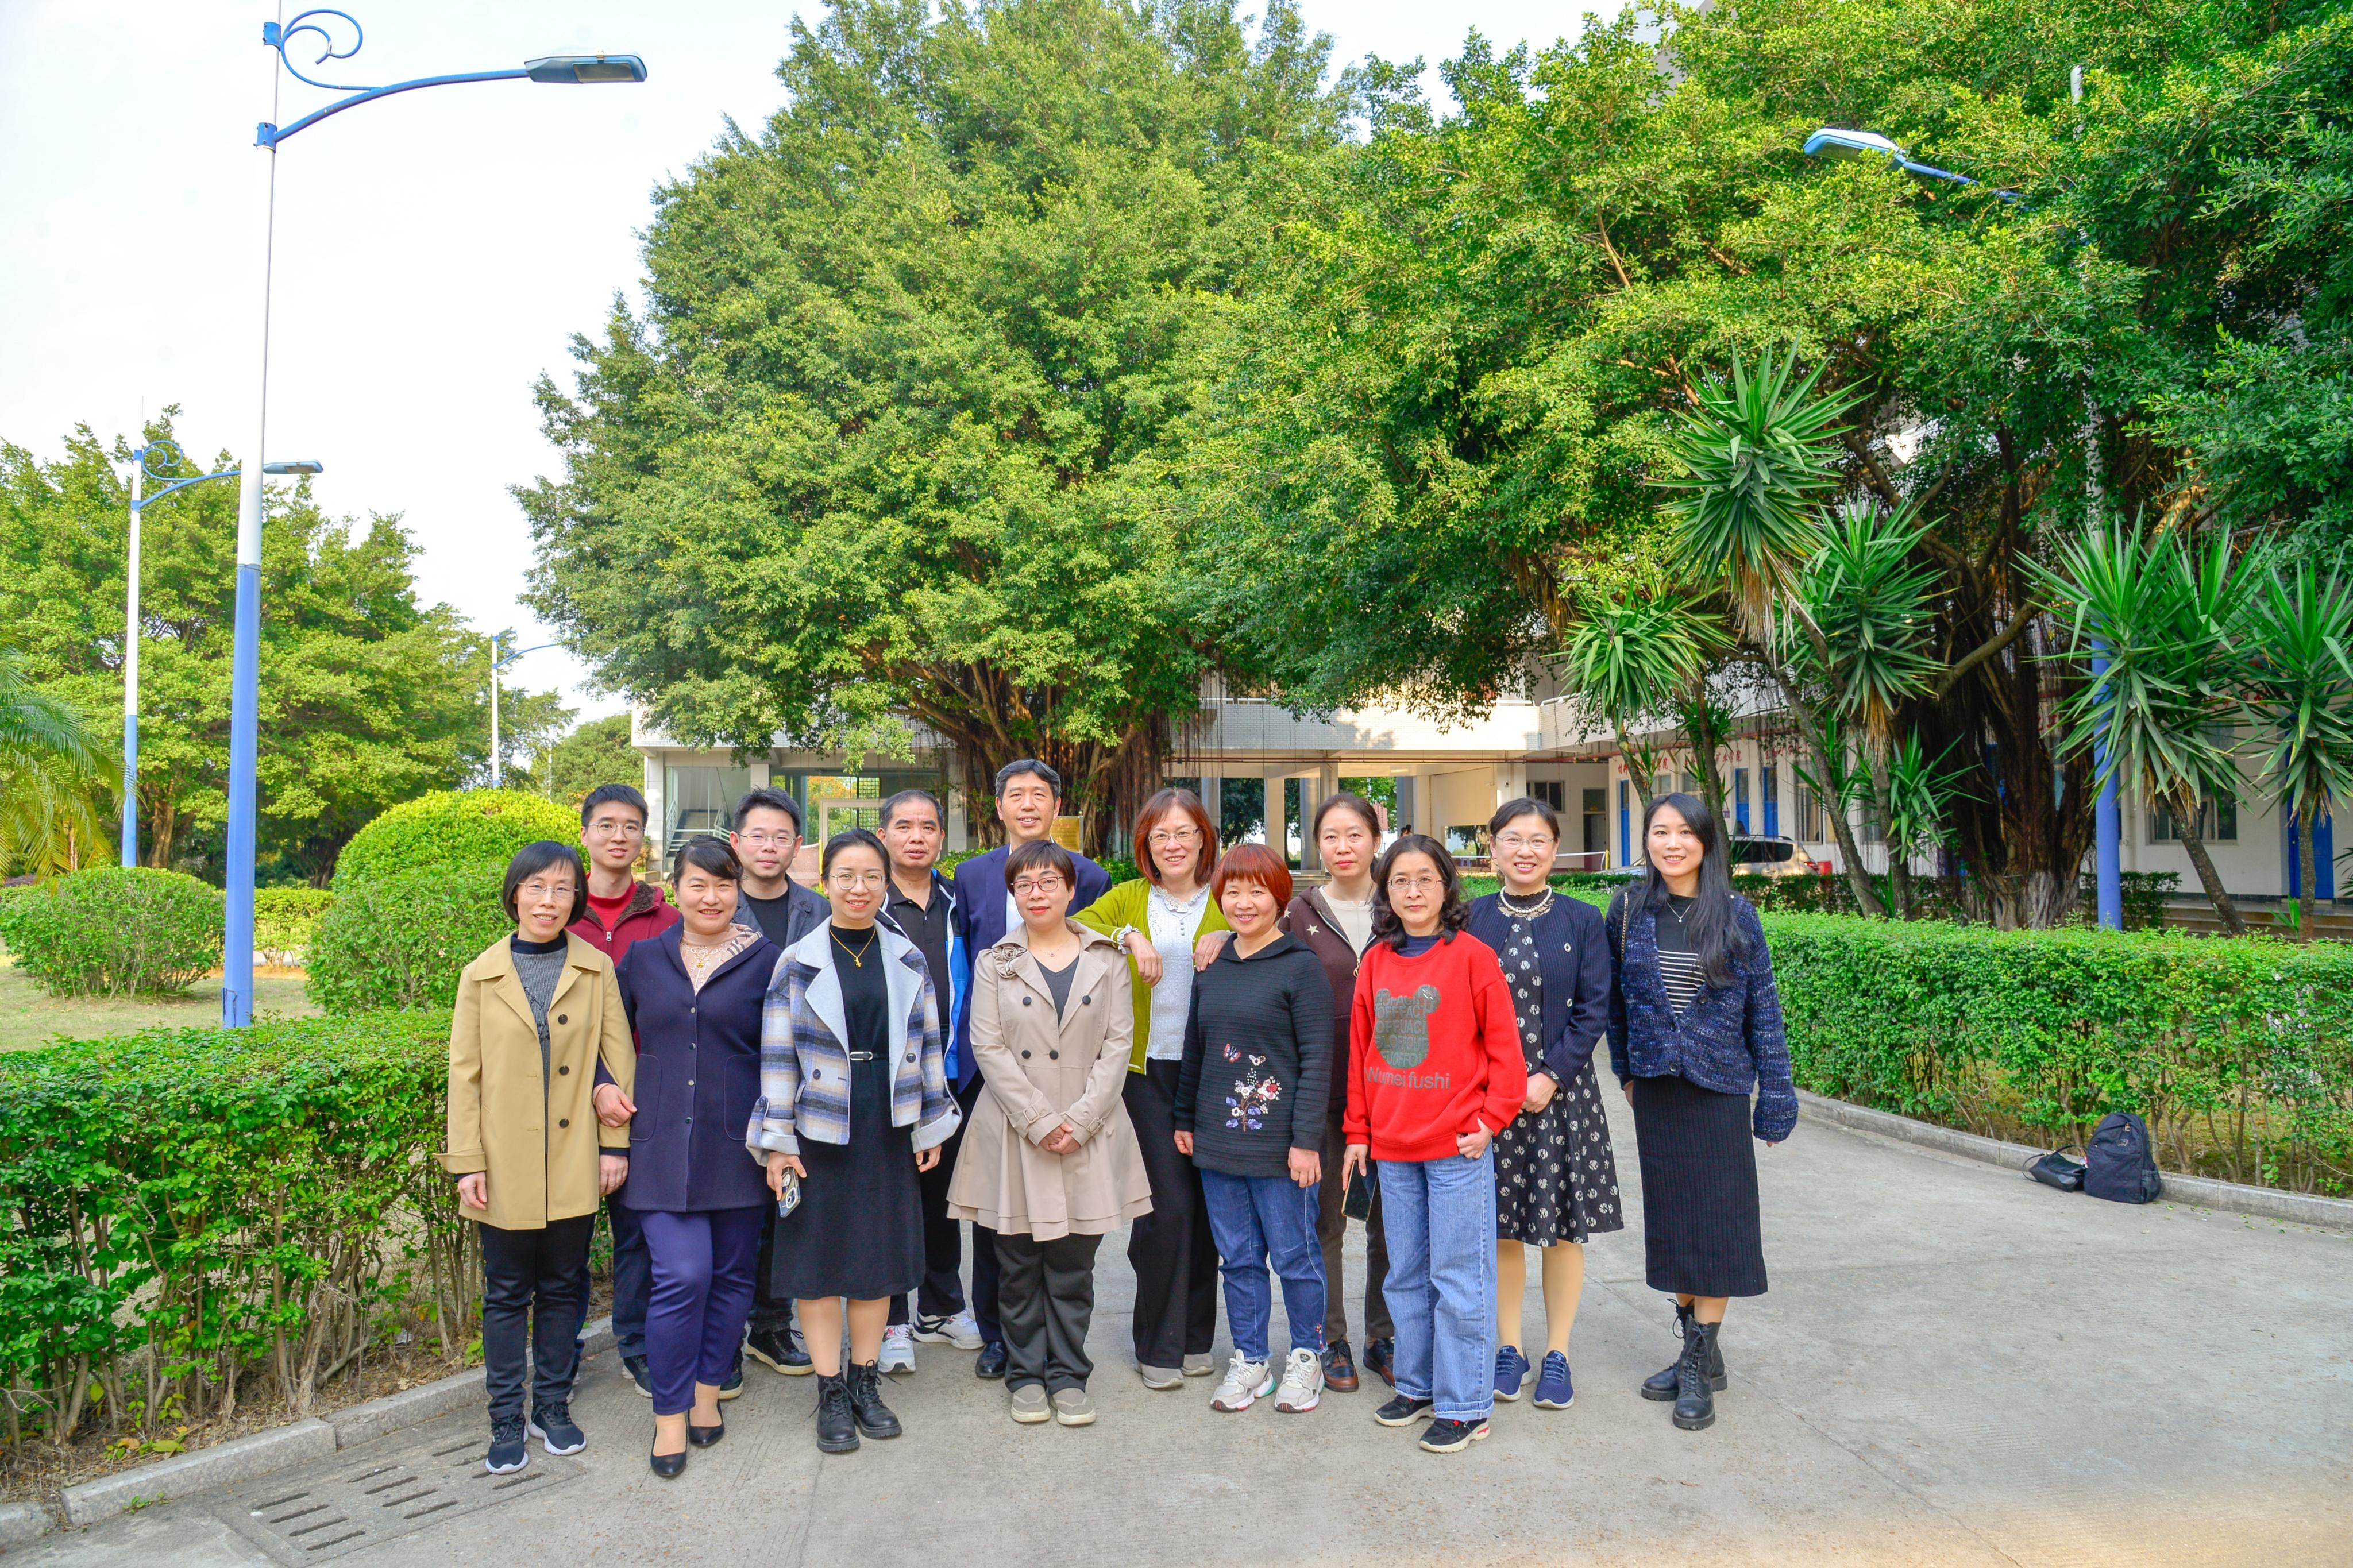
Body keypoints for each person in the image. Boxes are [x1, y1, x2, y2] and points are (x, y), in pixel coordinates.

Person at [750, 829, 961, 1454]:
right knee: (818, 1268)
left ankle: (866, 1382)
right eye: (846, 875)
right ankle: (830, 1390)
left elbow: (927, 1044)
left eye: (871, 876)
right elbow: (777, 1055)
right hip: (819, 1125)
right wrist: (778, 1141)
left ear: (885, 884)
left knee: (876, 1264)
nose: (859, 887)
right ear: (826, 882)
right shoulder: (797, 960)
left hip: (887, 1119)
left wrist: (929, 1123)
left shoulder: (907, 958)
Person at [442, 841, 634, 1475]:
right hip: (503, 1162)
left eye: (562, 889)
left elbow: (618, 1060)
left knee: (561, 1287)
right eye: (537, 888)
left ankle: (551, 1405)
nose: (549, 901)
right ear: (515, 894)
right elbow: (464, 1075)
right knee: (505, 1294)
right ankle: (505, 1416)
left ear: (576, 898)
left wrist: (613, 1146)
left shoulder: (595, 967)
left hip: (575, 1155)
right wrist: (468, 1161)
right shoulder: (481, 975)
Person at [947, 839, 1152, 1427]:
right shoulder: (996, 961)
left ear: (1070, 889)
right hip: (1016, 1129)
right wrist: (1039, 1120)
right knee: (1016, 1266)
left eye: (1048, 883)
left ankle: (1067, 1375)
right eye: (1024, 885)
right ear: (1013, 894)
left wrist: (1081, 1121)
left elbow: (1118, 1044)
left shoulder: (1107, 959)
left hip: (1089, 1126)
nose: (1036, 894)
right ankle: (1025, 1375)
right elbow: (987, 1045)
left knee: (1072, 1267)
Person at [1606, 792, 1794, 1433]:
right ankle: (1700, 1351)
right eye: (1660, 832)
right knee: (1674, 1227)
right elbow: (1617, 1006)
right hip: (1658, 1091)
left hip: (1719, 1091)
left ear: (1706, 842)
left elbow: (1764, 1010)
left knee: (1718, 1228)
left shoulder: (1738, 914)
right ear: (1647, 842)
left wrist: (1776, 1097)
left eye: (1685, 832)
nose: (1672, 843)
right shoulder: (1628, 910)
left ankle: (1696, 1362)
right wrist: (1626, 1071)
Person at [1340, 835, 1523, 1455]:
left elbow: (1507, 1054)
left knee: (1459, 1277)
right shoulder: (1377, 961)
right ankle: (1417, 1385)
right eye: (1400, 881)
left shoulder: (1473, 957)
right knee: (1405, 1276)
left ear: (1446, 887)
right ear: (1385, 892)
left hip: (1456, 1149)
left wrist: (1491, 1120)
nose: (1413, 891)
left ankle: (1466, 1404)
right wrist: (1358, 1133)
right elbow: (1361, 1054)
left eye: (1425, 879)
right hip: (1392, 1148)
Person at [611, 836, 777, 1478]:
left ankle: (708, 1395)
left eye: (723, 885)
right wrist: (602, 1086)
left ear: (739, 890)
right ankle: (669, 1416)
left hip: (738, 1145)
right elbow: (605, 1040)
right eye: (698, 885)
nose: (711, 898)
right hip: (657, 1145)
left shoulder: (768, 961)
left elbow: (785, 1053)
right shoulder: (642, 959)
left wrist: (781, 1141)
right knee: (682, 1276)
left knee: (733, 1278)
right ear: (674, 889)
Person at [947, 759, 1112, 1377]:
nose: (1026, 804)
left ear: (1056, 805)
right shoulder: (971, 875)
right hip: (992, 1065)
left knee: (1062, 1209)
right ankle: (999, 1336)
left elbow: (1101, 942)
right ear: (998, 807)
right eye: (1014, 794)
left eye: (1038, 794)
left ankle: (1058, 1342)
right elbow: (964, 959)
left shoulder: (1089, 875)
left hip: (1069, 1068)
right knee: (997, 1211)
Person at [1464, 797, 1622, 1413]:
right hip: (1489, 1098)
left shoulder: (1583, 920)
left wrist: (1551, 1075)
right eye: (1512, 839)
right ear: (1493, 847)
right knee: (1500, 1226)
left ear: (1555, 849)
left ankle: (1557, 1352)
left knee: (1561, 1228)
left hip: (1563, 1097)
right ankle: (1510, 1348)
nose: (1524, 851)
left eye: (1537, 840)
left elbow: (1595, 1008)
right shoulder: (1471, 917)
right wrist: (1495, 1085)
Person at [1073, 786, 1229, 1389]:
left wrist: (1229, 937)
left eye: (1185, 832)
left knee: (1207, 1211)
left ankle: (1195, 1338)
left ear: (1203, 840)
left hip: (1213, 1072)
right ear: (1146, 844)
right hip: (1147, 1076)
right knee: (1168, 1208)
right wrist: (1128, 937)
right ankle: (1157, 1344)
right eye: (1161, 834)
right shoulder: (1130, 897)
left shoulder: (1226, 893)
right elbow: (1077, 925)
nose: (1173, 844)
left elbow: (1271, 928)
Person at [1175, 843, 1333, 1415]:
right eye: (1233, 891)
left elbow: (1317, 1059)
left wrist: (1306, 1142)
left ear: (1279, 897)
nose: (1244, 903)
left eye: (1257, 891)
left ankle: (1308, 1356)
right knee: (1238, 1259)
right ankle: (1251, 1359)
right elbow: (1197, 1047)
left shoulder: (1300, 966)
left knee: (1295, 1257)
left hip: (1281, 1148)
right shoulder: (1213, 964)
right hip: (1219, 1142)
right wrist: (1185, 1117)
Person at [568, 784, 679, 1400]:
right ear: (585, 832)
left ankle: (635, 1345)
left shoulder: (669, 920)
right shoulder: (559, 911)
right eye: (607, 824)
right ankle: (561, 1354)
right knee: (565, 1237)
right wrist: (592, 1084)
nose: (619, 836)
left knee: (637, 1235)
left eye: (631, 826)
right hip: (563, 1100)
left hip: (644, 1101)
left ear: (644, 838)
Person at [1281, 792, 1395, 1393]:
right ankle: (1332, 1339)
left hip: (1395, 1095)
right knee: (1327, 1222)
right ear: (1316, 844)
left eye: (1354, 834)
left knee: (1388, 1226)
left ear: (1375, 837)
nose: (1343, 847)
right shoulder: (1297, 913)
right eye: (1330, 836)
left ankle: (1384, 1336)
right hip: (1322, 1092)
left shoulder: (1402, 903)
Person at [875, 787, 983, 1371]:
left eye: (927, 827)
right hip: (886, 1077)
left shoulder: (960, 901)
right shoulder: (868, 899)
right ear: (884, 835)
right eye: (904, 826)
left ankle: (940, 1308)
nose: (916, 836)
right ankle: (891, 1319)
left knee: (943, 1198)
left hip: (951, 1072)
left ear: (942, 836)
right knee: (891, 1200)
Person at [727, 786, 830, 1381]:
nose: (769, 847)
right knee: (733, 1213)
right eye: (758, 836)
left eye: (781, 837)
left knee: (786, 1206)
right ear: (736, 842)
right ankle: (725, 1337)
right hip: (732, 1074)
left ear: (798, 846)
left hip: (803, 1081)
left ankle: (771, 1325)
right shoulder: (714, 901)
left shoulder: (819, 909)